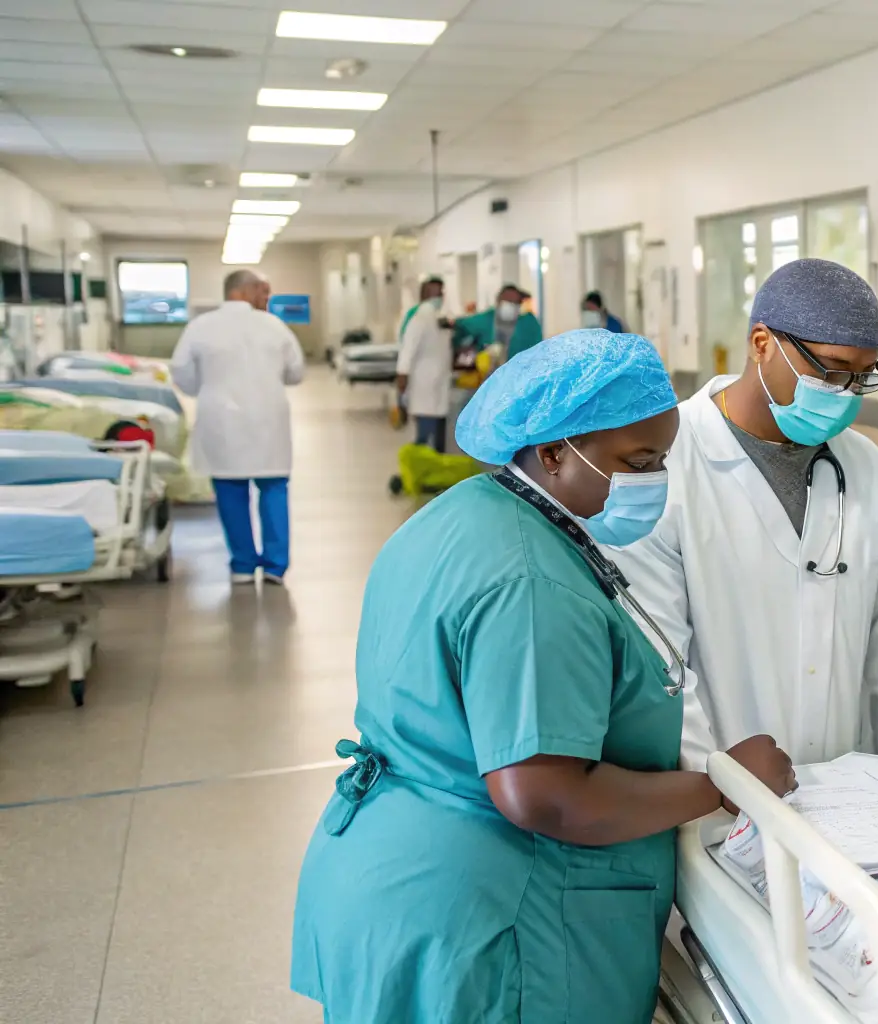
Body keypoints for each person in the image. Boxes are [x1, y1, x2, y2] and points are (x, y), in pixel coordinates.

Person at [291, 330, 797, 1023]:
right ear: (554, 451)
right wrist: (725, 786)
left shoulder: (465, 514)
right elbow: (544, 796)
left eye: (662, 459)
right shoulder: (531, 584)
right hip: (493, 914)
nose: (655, 479)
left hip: (398, 869)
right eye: (638, 461)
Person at [612, 258, 878, 768]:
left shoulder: (869, 469)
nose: (845, 394)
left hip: (850, 793)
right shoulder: (668, 464)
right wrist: (718, 791)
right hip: (715, 793)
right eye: (830, 371)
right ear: (762, 344)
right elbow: (663, 667)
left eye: (861, 378)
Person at [170, 268, 306, 585]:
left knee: (230, 490)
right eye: (263, 292)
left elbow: (180, 370)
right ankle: (275, 566)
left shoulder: (201, 326)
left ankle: (243, 565)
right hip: (268, 418)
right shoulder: (275, 326)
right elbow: (296, 372)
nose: (267, 298)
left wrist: (203, 387)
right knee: (273, 488)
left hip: (221, 419)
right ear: (242, 291)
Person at [395, 278, 452, 451]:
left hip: (439, 383)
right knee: (425, 436)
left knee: (438, 437)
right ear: (424, 294)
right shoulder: (419, 318)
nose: (440, 296)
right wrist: (402, 378)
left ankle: (435, 464)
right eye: (436, 292)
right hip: (424, 386)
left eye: (441, 292)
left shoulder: (438, 317)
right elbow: (407, 349)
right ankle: (422, 464)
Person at [454, 283, 542, 362]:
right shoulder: (487, 318)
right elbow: (465, 325)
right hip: (490, 368)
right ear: (498, 301)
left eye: (513, 302)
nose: (509, 304)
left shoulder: (528, 322)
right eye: (506, 300)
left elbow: (537, 347)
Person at [397, 274, 443, 341]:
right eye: (431, 290)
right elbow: (404, 336)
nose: (435, 296)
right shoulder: (414, 312)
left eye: (438, 291)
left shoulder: (441, 313)